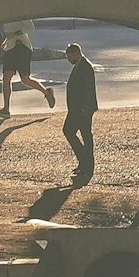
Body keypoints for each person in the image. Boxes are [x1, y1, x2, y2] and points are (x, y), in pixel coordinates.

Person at [0, 19, 55, 118]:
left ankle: (47, 92)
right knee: (6, 78)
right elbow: (10, 33)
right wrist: (6, 41)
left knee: (25, 79)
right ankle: (6, 109)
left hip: (22, 47)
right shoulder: (4, 15)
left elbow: (30, 27)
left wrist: (14, 34)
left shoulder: (19, 13)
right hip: (10, 48)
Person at [62, 42, 98, 184]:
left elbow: (88, 90)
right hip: (77, 109)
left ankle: (87, 164)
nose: (68, 59)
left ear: (75, 53)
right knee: (75, 133)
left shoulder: (85, 67)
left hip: (82, 109)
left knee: (83, 135)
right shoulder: (80, 65)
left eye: (69, 56)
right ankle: (84, 162)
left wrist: (84, 108)